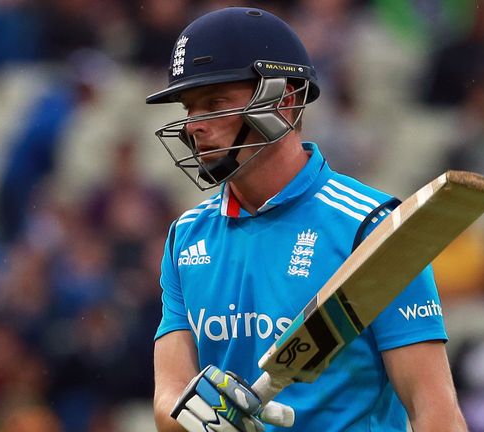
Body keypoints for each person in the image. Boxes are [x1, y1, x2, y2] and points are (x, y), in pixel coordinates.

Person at [146, 7, 467, 431]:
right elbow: (167, 397)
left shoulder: (369, 227)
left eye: (215, 102)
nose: (193, 126)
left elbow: (435, 411)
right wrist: (199, 416)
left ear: (285, 100)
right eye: (190, 108)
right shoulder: (186, 239)